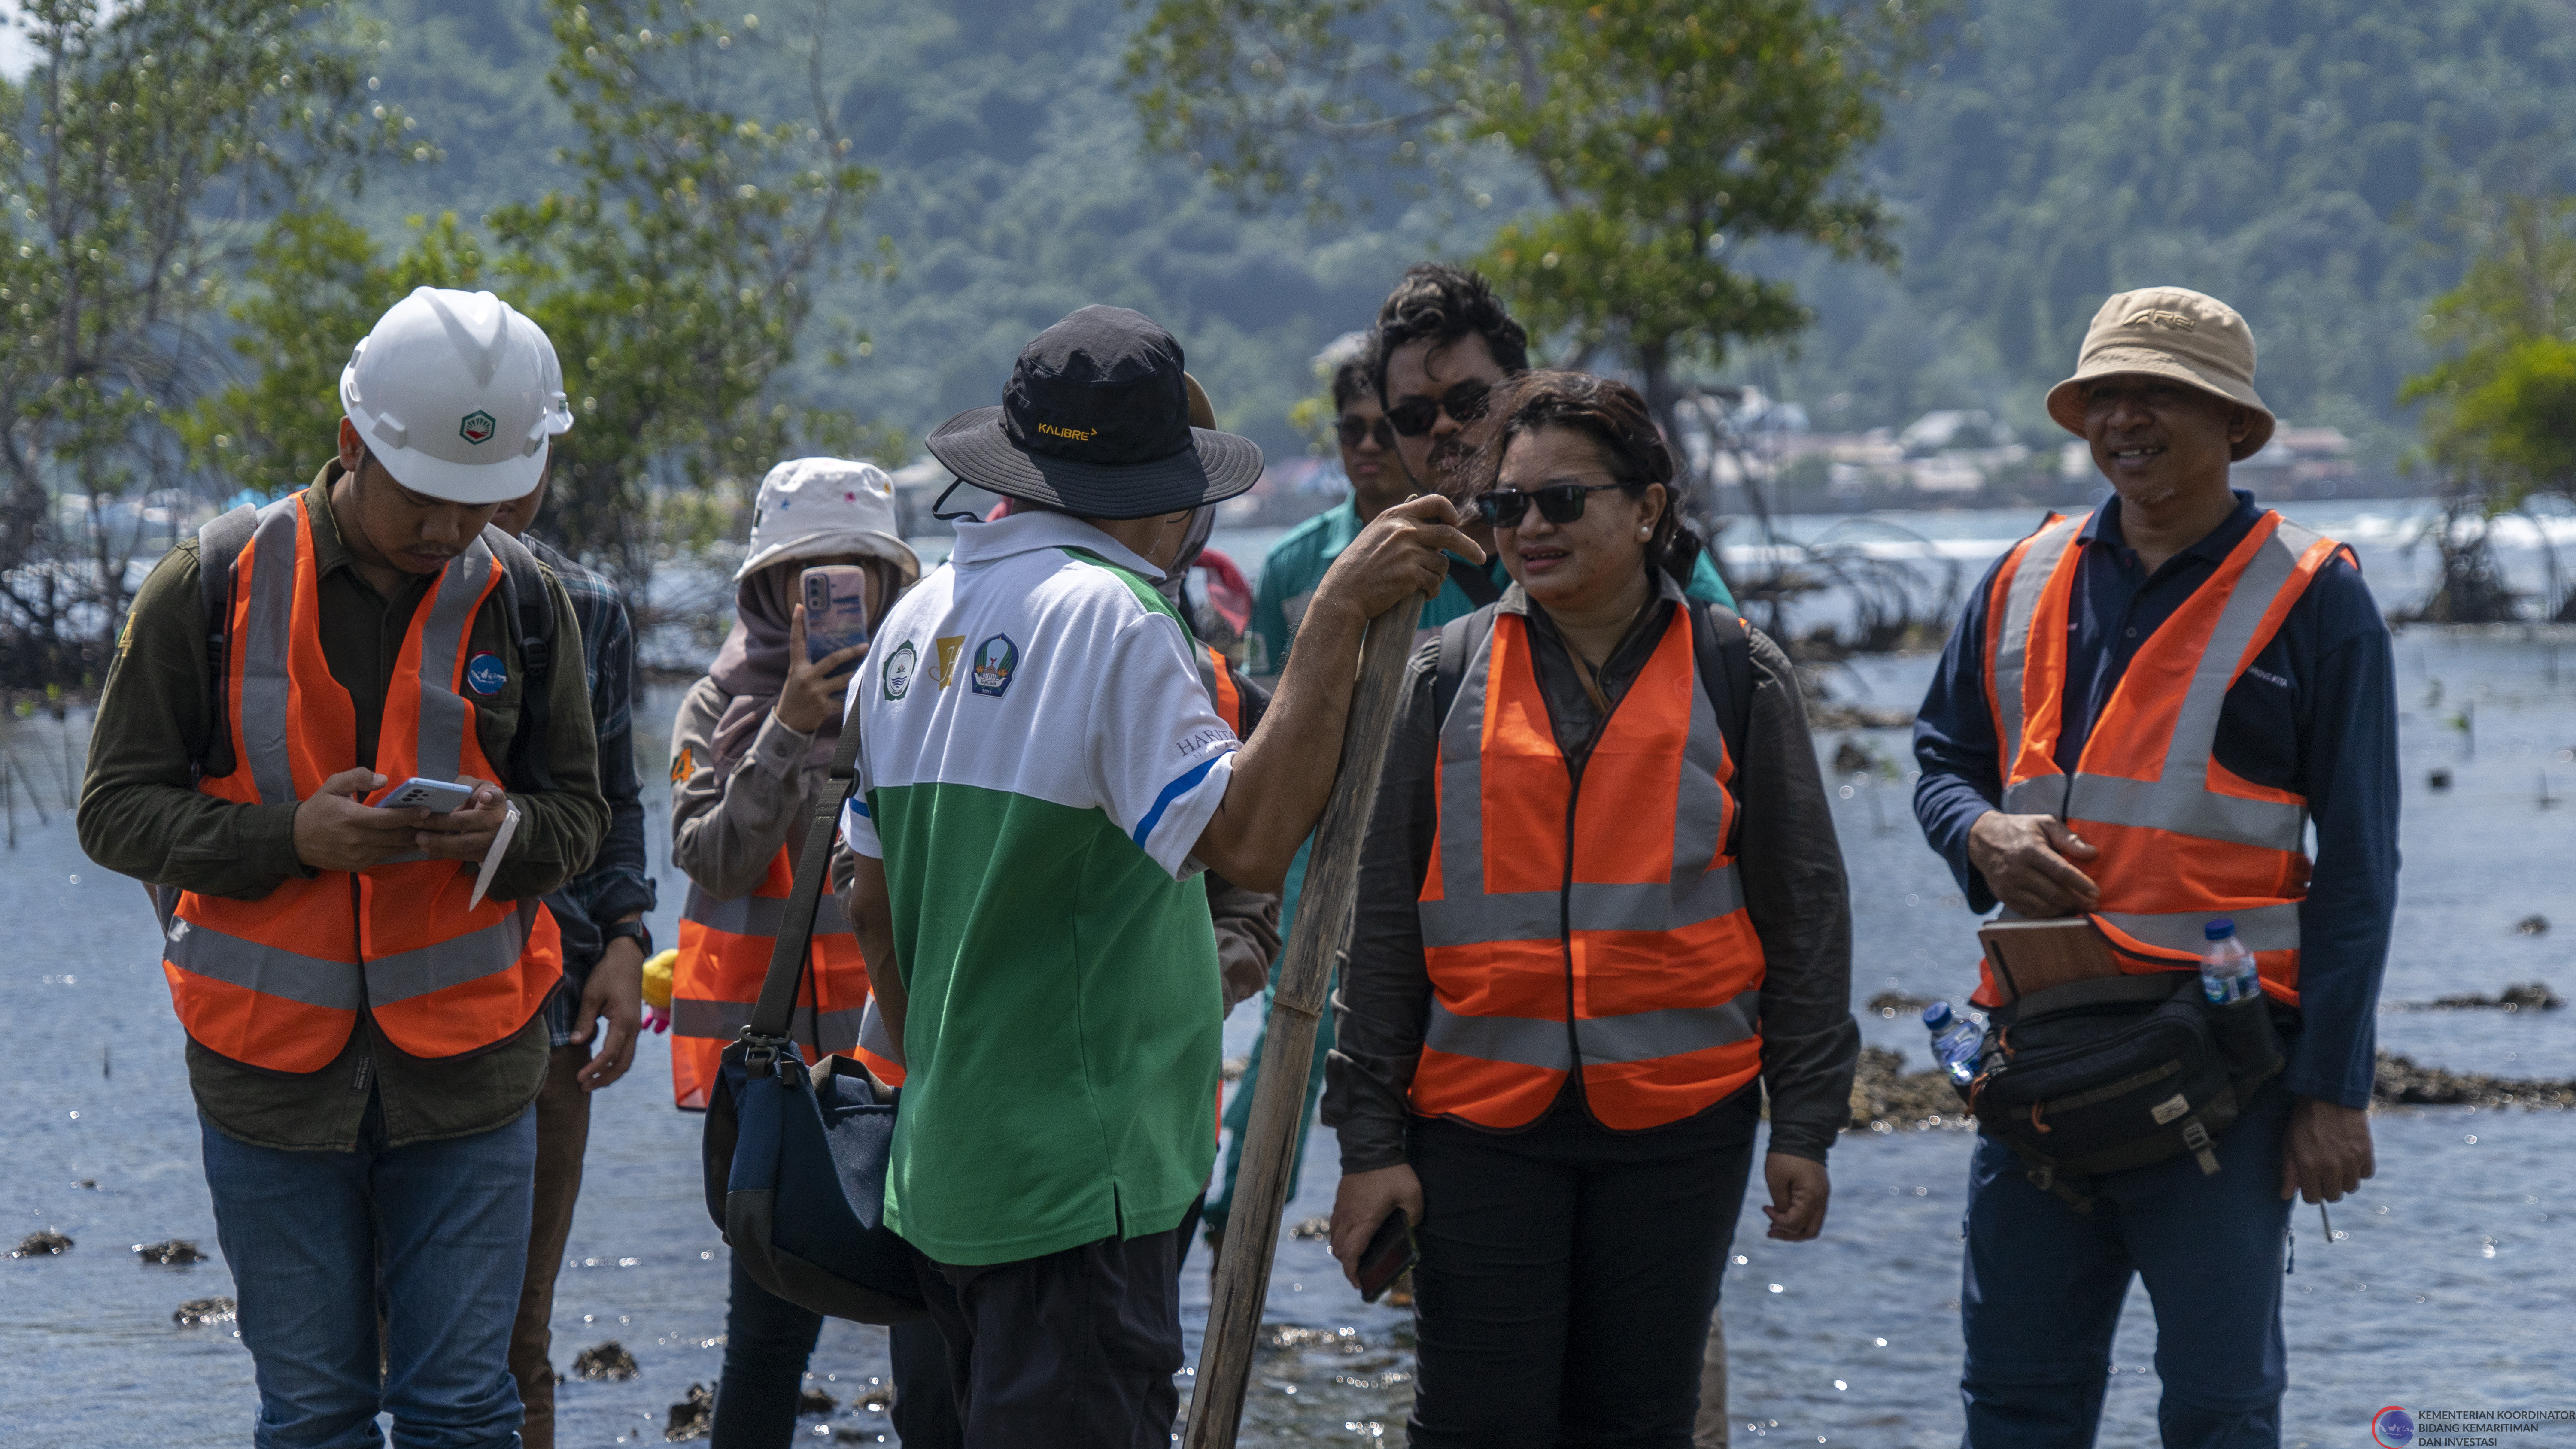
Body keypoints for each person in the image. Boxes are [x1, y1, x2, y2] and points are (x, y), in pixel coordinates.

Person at [842, 304, 1476, 1446]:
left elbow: (868, 901)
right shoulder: (1114, 618)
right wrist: (1334, 614)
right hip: (1082, 1190)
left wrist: (951, 1060)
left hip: (942, 1170)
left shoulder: (914, 619)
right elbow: (1247, 839)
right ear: (1167, 496)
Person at [79, 286, 607, 1448]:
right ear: (351, 447)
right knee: (313, 1413)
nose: (450, 531)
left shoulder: (528, 602)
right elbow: (113, 814)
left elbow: (582, 819)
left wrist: (504, 836)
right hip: (268, 1082)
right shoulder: (206, 585)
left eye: (480, 504)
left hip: (472, 1074)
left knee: (466, 1411)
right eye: (424, 500)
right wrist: (290, 842)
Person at [1322, 371, 1858, 1448]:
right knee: (1477, 1425)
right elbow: (1382, 928)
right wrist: (1368, 1143)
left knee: (1640, 1424)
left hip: (1681, 1131)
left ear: (1648, 506)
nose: (1529, 527)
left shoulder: (1736, 671)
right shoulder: (1445, 674)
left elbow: (1804, 913)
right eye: (1508, 506)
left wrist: (1805, 1123)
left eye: (1561, 501)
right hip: (1479, 1128)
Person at [1910, 287, 2396, 1446]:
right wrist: (1978, 833)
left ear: (2234, 423)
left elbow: (2363, 866)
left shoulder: (2317, 596)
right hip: (2035, 1063)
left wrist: (2334, 1088)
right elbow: (1940, 762)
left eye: (2162, 394)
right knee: (2016, 1403)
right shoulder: (2020, 577)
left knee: (2221, 1412)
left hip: (2225, 1078)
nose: (2127, 419)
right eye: (2106, 396)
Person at [662, 457, 954, 1448]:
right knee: (766, 1348)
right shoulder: (719, 705)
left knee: (934, 1349)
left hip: (910, 1058)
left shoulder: (932, 692)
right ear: (768, 588)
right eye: (808, 573)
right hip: (772, 1071)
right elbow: (712, 854)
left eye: (854, 571)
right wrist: (786, 729)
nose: (830, 594)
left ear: (891, 584)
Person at [487, 462, 658, 1449]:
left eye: (521, 465)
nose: (499, 492)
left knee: (521, 1331)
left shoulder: (588, 606)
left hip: (553, 1015)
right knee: (367, 1339)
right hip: (385, 1026)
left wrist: (630, 936)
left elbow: (617, 799)